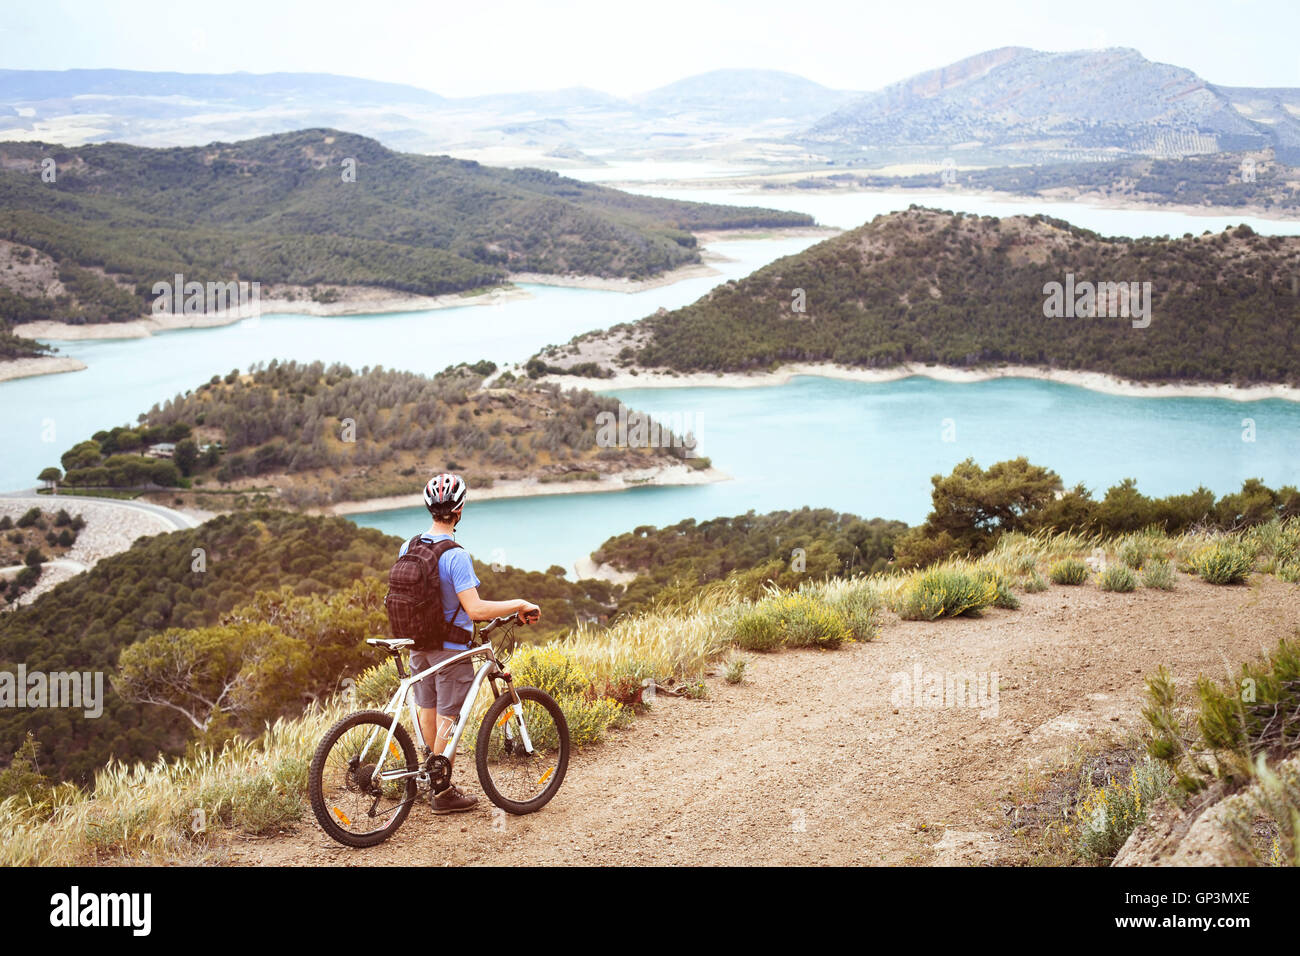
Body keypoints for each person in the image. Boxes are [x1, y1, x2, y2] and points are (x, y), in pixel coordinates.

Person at [402, 472, 540, 814]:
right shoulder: (456, 555)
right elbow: (475, 610)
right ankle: (441, 789)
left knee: (428, 707)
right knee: (450, 714)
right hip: (450, 651)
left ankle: (429, 775)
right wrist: (519, 604)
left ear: (430, 509)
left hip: (417, 645)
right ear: (460, 510)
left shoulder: (408, 546)